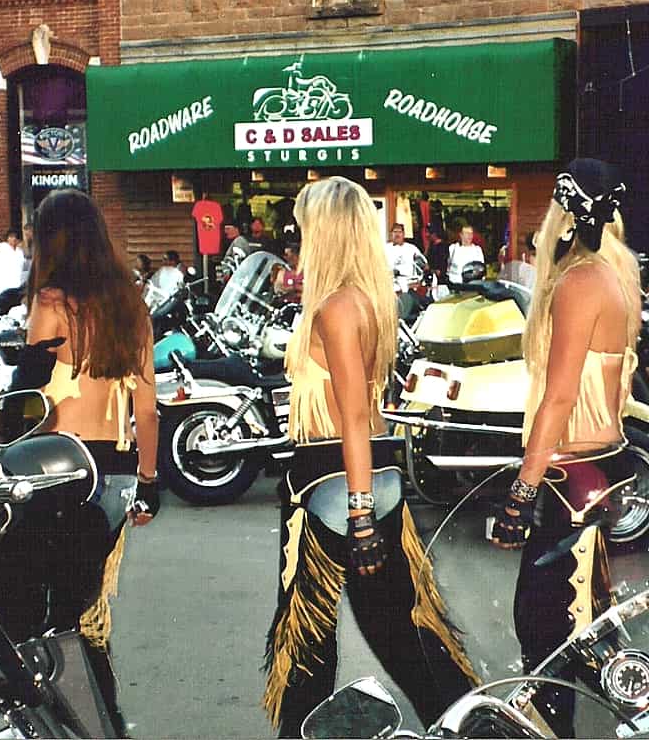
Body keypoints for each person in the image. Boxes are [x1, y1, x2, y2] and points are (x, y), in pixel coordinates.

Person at [263, 177, 476, 738]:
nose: (298, 236)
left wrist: (359, 516)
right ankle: (472, 725)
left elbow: (354, 415)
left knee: (306, 642)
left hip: (329, 485)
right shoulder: (366, 300)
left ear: (325, 232)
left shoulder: (336, 307)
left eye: (304, 226)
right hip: (370, 477)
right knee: (406, 634)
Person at [490, 159, 639, 737]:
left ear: (566, 215)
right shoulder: (614, 274)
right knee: (578, 623)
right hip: (598, 464)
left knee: (544, 627)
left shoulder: (580, 283)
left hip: (572, 474)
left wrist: (520, 492)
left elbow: (556, 399)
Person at [9, 188, 158, 738]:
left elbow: (27, 403)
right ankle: (102, 720)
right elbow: (147, 407)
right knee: (86, 609)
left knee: (54, 615)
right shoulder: (131, 305)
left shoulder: (50, 305)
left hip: (61, 470)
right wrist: (149, 481)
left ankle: (93, 723)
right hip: (117, 472)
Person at [384, 223, 424, 294]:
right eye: (395, 232)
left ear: (403, 234)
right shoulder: (385, 249)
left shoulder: (412, 248)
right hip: (390, 284)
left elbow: (423, 265)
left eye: (399, 232)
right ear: (391, 234)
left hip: (409, 284)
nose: (397, 234)